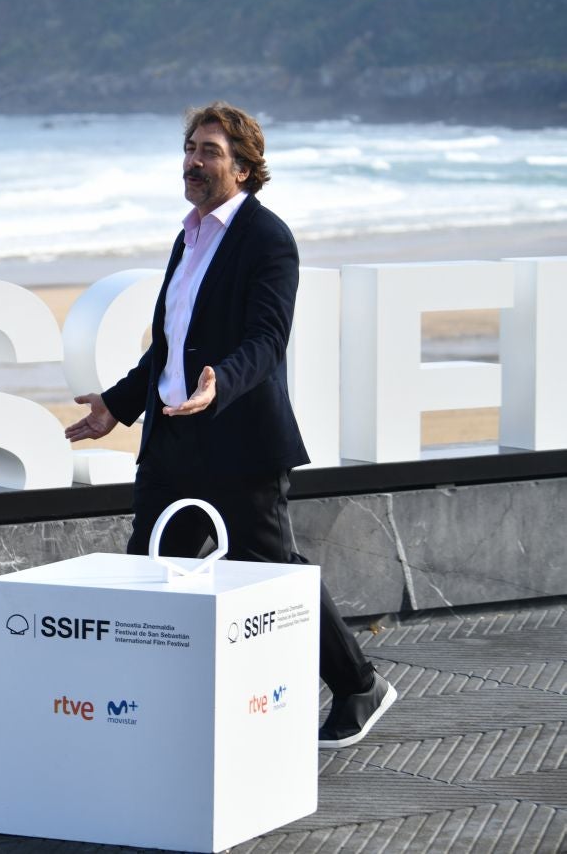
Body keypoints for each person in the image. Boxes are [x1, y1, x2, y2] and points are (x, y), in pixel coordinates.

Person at [64, 102, 396, 749]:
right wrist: (116, 404)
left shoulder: (266, 238)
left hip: (239, 440)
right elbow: (168, 347)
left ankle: (358, 685)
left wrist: (220, 385)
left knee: (270, 568)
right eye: (189, 148)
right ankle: (138, 713)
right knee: (152, 571)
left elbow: (267, 339)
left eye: (209, 151)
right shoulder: (187, 237)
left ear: (243, 167)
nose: (192, 160)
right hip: (172, 440)